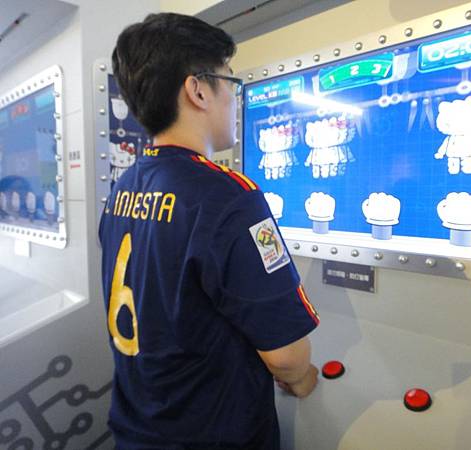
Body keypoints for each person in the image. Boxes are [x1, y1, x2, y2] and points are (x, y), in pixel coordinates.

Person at [99, 13, 320, 450]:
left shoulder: (122, 188)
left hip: (138, 427)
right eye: (230, 82)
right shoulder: (228, 196)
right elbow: (286, 355)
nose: (234, 99)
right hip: (214, 435)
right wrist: (303, 378)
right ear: (197, 90)